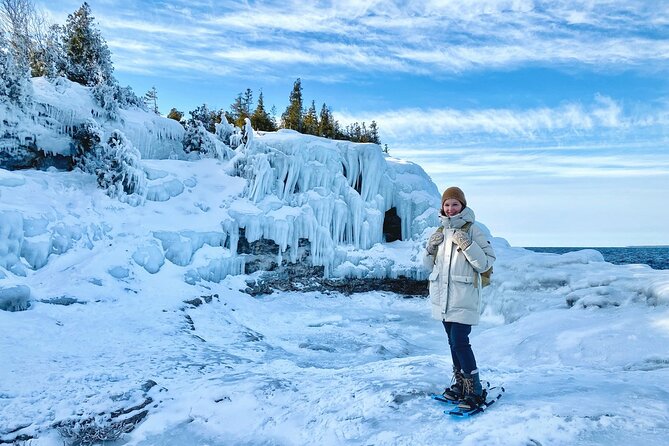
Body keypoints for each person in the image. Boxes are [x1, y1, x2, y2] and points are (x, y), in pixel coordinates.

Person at [423, 186, 496, 410]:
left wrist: (467, 245)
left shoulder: (473, 230)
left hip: (464, 296)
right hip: (443, 298)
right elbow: (428, 267)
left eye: (455, 204)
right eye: (447, 204)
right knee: (453, 344)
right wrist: (430, 248)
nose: (451, 208)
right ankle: (461, 385)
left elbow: (486, 262)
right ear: (442, 208)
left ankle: (474, 389)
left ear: (462, 206)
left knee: (460, 343)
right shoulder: (440, 231)